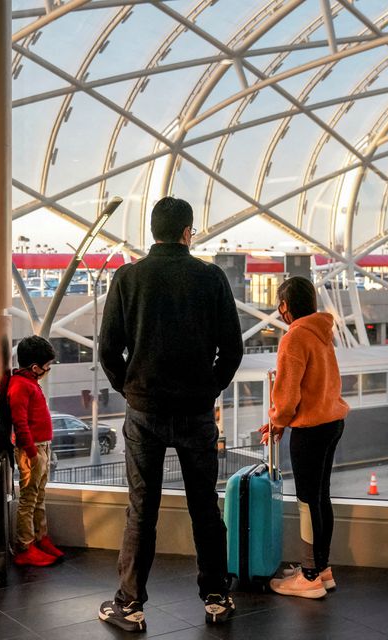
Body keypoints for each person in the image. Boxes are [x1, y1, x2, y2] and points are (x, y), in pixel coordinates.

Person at [97, 196, 243, 632]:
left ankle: (130, 603)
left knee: (142, 509)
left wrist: (131, 388)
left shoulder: (129, 278)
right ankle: (216, 597)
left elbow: (107, 349)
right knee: (205, 506)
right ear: (187, 233)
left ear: (153, 232)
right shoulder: (210, 279)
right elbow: (232, 349)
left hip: (145, 411)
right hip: (196, 411)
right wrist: (208, 387)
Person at [259, 276, 349, 599]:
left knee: (307, 502)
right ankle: (322, 569)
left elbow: (285, 397)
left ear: (285, 306)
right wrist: (282, 421)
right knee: (321, 497)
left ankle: (309, 576)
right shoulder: (323, 332)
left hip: (310, 430)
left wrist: (276, 421)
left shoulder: (295, 338)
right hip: (332, 422)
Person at [7, 336, 63, 567]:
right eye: (47, 365)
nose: (48, 369)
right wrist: (31, 453)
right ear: (35, 367)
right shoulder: (20, 386)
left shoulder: (29, 383)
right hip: (32, 450)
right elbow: (20, 424)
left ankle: (40, 538)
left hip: (41, 447)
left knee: (39, 496)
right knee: (29, 499)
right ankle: (25, 546)